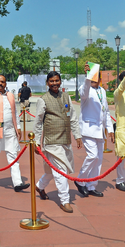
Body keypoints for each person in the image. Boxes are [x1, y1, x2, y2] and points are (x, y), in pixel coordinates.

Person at [34, 71, 81, 213]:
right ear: (47, 83)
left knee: (52, 171)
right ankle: (64, 200)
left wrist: (77, 136)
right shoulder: (43, 100)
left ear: (60, 81)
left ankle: (40, 186)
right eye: (51, 81)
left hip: (65, 140)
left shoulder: (66, 97)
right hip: (52, 142)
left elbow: (72, 117)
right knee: (60, 171)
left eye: (57, 81)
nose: (55, 83)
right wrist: (37, 141)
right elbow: (37, 122)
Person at [0, 75, 30, 191]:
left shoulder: (10, 96)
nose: (0, 84)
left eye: (3, 82)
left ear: (6, 83)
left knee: (13, 156)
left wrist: (17, 126)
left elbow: (15, 112)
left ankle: (17, 183)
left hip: (9, 131)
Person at [74, 62, 114, 198]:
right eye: (94, 77)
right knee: (92, 156)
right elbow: (83, 93)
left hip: (100, 130)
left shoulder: (102, 91)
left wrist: (110, 128)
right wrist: (87, 77)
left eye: (98, 76)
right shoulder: (85, 89)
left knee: (99, 159)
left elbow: (106, 112)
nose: (96, 79)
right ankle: (80, 180)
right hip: (88, 128)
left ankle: (91, 185)